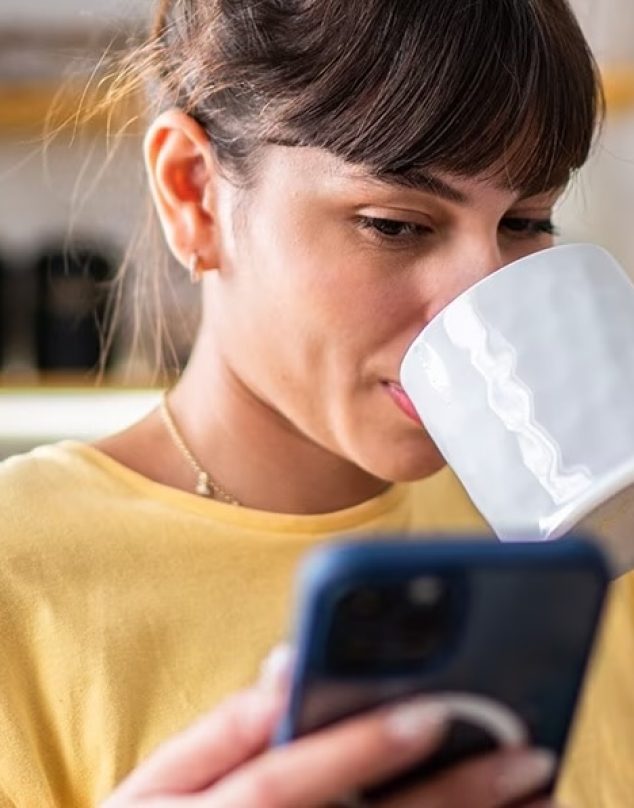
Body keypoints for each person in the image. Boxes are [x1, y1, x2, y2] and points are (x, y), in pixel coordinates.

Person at [1, 0, 632, 805]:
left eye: (528, 221)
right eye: (395, 225)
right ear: (193, 196)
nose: (484, 299)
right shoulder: (20, 582)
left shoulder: (584, 530)